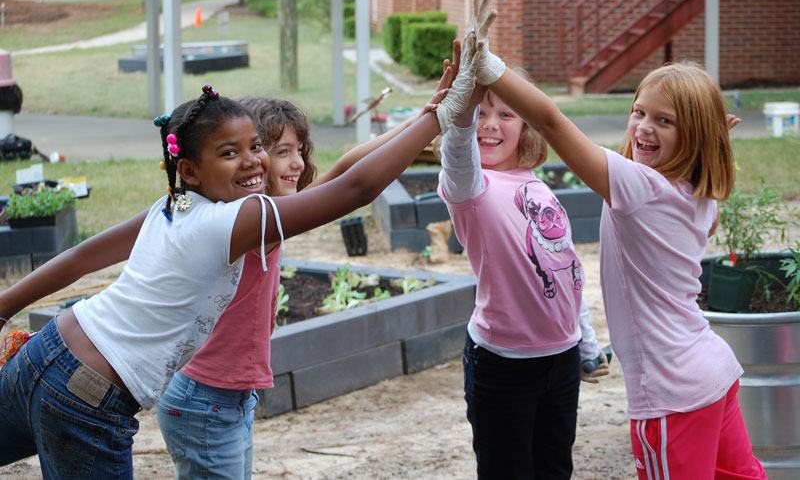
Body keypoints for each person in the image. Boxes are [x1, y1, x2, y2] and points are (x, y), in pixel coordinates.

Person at [0, 41, 481, 479]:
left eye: (256, 147)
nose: (254, 161)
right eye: (230, 153)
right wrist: (441, 116)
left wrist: (4, 305)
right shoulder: (230, 222)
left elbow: (83, 255)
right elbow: (356, 189)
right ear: (188, 170)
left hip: (48, 352)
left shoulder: (174, 207)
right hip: (88, 396)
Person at [468, 0, 765, 479]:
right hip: (714, 372)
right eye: (639, 112)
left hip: (672, 395)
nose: (644, 127)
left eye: (664, 121)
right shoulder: (696, 191)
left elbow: (552, 121)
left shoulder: (640, 187)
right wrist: (707, 137)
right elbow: (693, 171)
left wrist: (490, 68)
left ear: (693, 134)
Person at [153, 88, 452, 479]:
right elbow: (355, 186)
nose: (296, 163)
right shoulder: (252, 220)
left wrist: (417, 120)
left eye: (299, 150)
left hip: (218, 396)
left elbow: (344, 168)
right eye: (281, 152)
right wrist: (431, 123)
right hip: (207, 400)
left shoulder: (263, 214)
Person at [438, 57, 608, 478]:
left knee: (554, 469)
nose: (490, 123)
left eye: (506, 113)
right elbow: (459, 157)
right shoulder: (471, 189)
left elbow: (564, 269)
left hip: (562, 359)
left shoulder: (535, 183)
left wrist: (586, 343)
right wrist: (462, 108)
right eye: (481, 112)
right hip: (503, 364)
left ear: (526, 125)